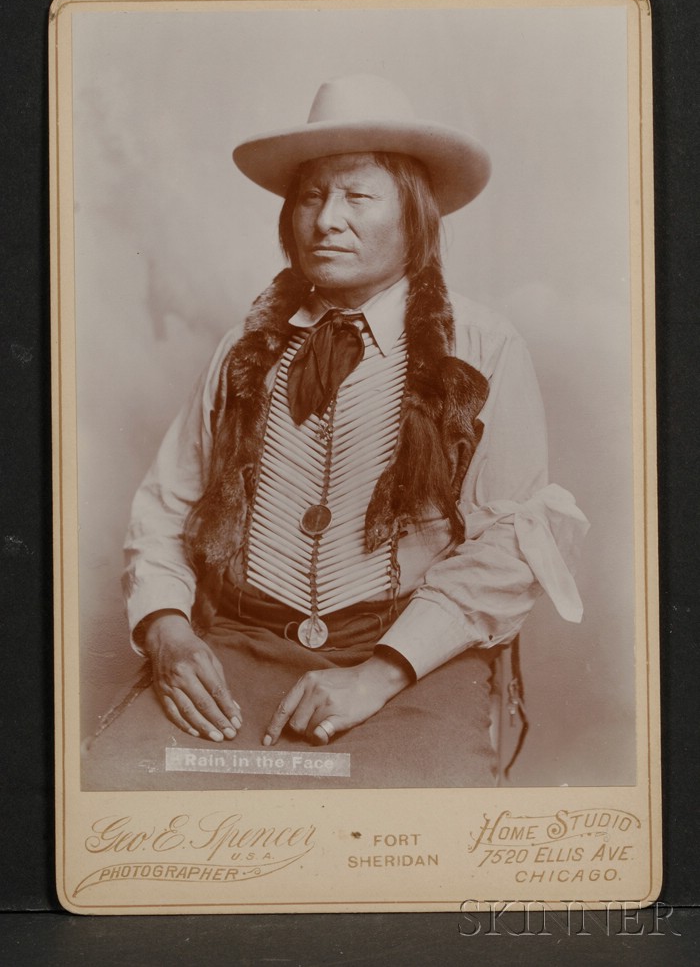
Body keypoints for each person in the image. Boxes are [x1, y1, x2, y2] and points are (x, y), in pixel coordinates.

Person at [84, 74, 588, 790]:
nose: (327, 220)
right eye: (313, 197)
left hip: (404, 665)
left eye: (357, 196)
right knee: (120, 800)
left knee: (416, 850)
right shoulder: (247, 348)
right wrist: (168, 631)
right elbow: (164, 509)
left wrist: (379, 675)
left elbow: (510, 545)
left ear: (414, 216)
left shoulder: (481, 348)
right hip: (236, 652)